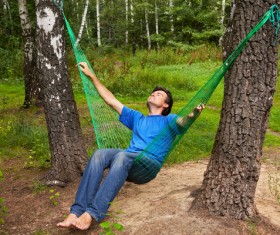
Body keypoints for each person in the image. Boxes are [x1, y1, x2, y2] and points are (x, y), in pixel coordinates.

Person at [57, 62, 204, 230]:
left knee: (122, 155)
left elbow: (183, 122)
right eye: (153, 92)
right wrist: (92, 76)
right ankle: (76, 211)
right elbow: (111, 100)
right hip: (128, 161)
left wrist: (193, 115)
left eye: (159, 94)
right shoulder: (137, 118)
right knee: (99, 154)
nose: (154, 94)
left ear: (166, 105)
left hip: (147, 165)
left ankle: (92, 214)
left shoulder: (168, 120)